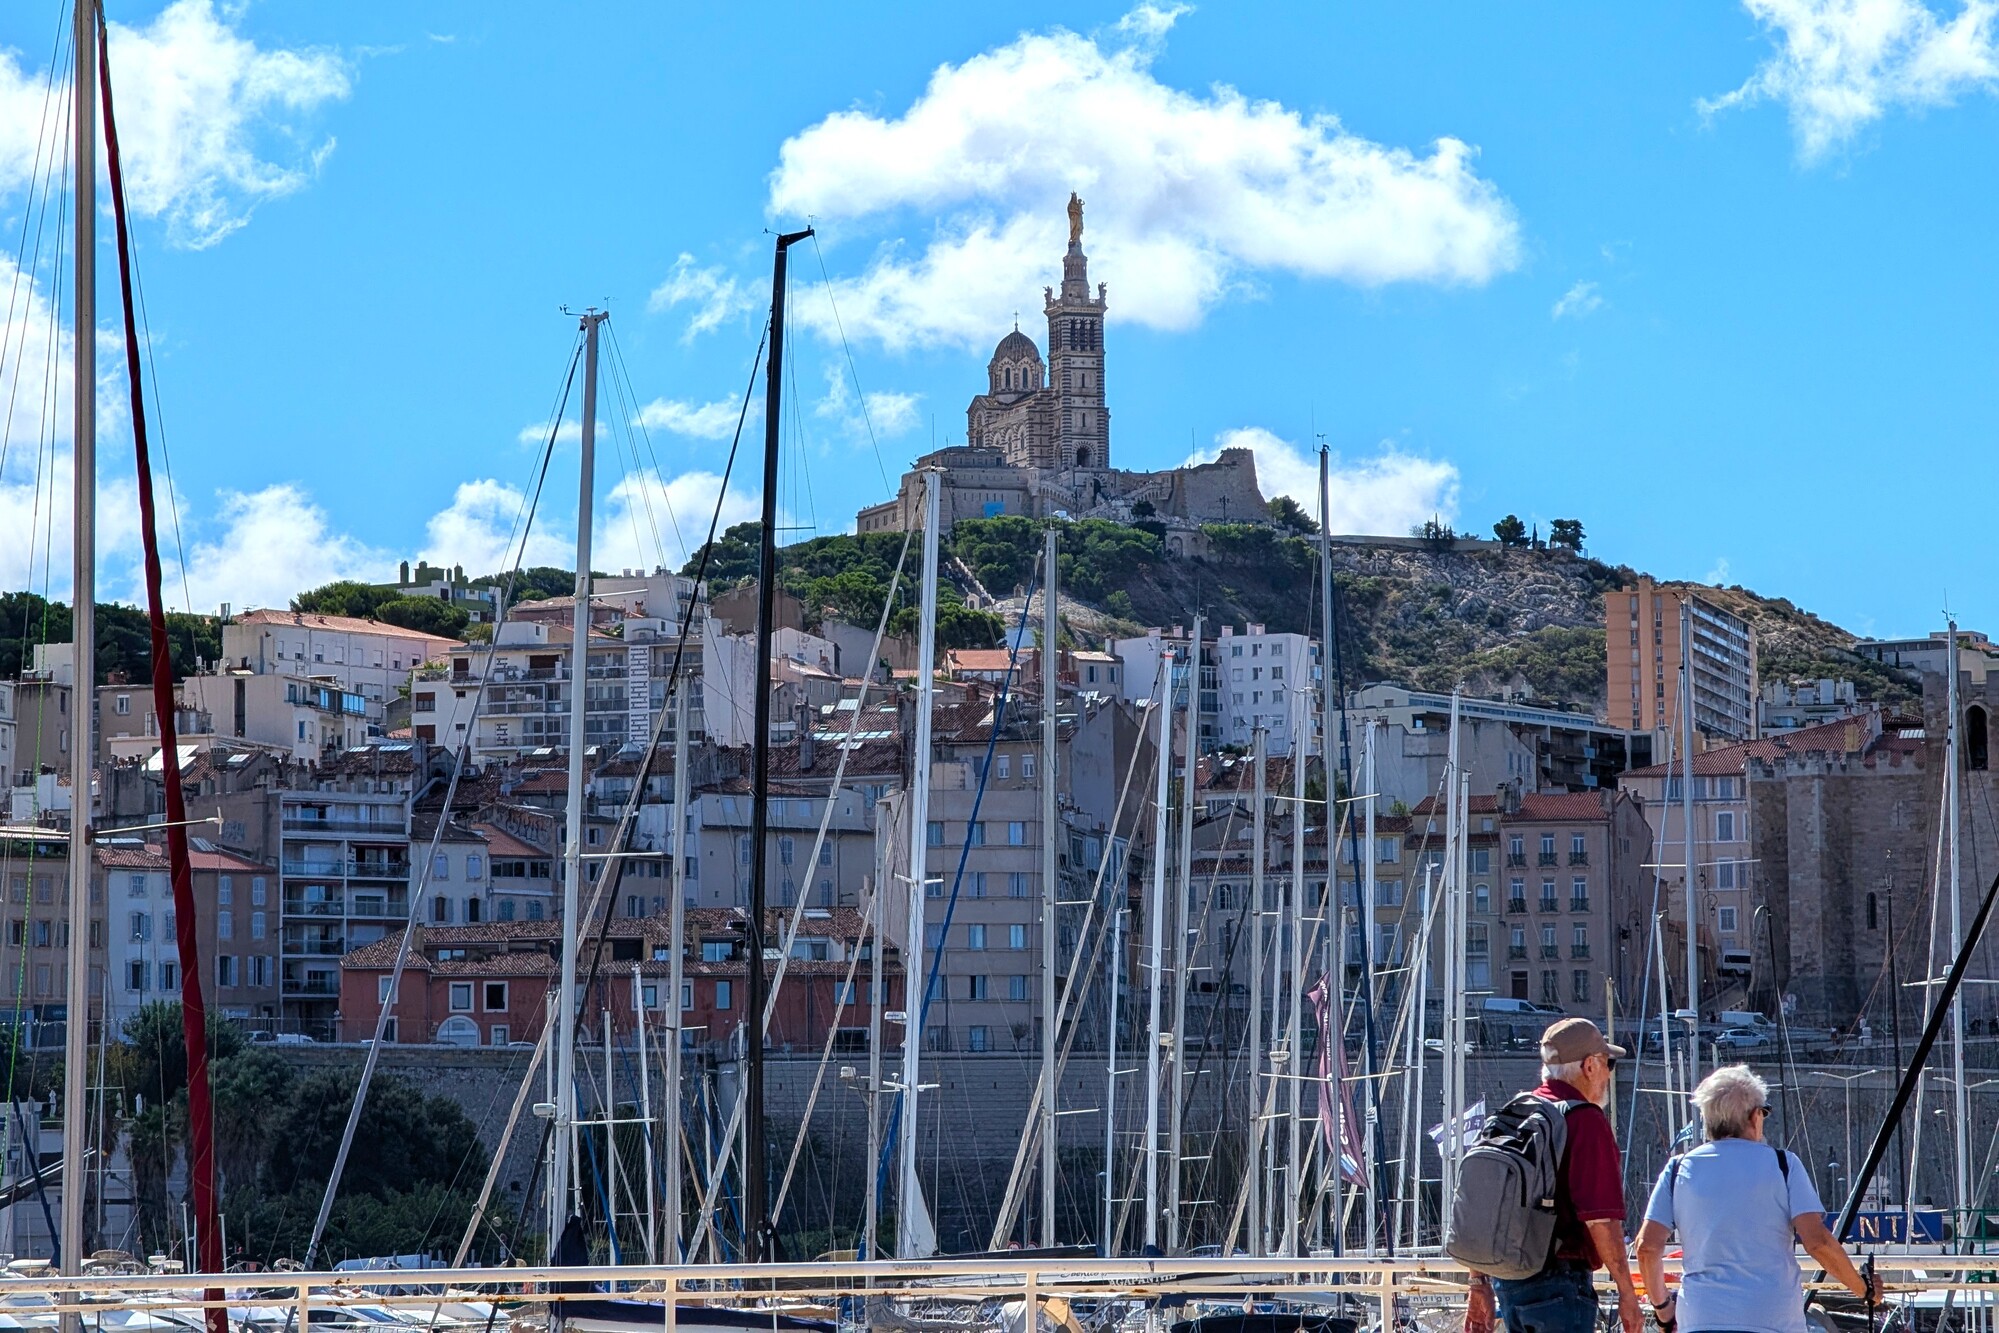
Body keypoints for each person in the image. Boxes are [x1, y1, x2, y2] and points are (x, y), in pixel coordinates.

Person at [1636, 1065, 1881, 1333]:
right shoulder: (1783, 1164)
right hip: (1772, 1319)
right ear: (1754, 1116)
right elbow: (1818, 1243)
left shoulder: (1677, 1169)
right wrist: (1864, 1289)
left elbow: (1647, 1247)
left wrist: (1663, 1310)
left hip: (1700, 1318)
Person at [1466, 1018, 1641, 1333]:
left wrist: (1478, 1281)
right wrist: (1627, 1292)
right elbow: (1601, 1220)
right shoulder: (1585, 1120)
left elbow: (1484, 1207)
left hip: (1509, 1282)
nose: (1609, 1075)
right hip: (1559, 1284)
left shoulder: (1515, 1112)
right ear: (1589, 1066)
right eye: (1609, 1064)